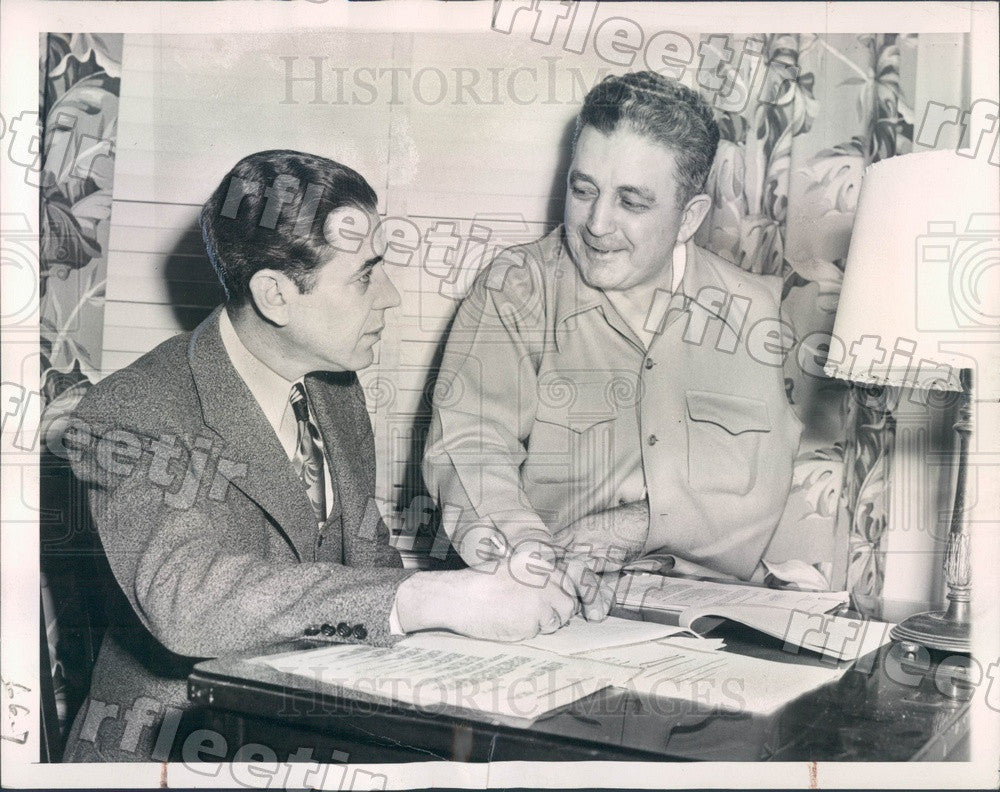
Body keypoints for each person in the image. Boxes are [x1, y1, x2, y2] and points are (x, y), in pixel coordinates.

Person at [60, 150, 581, 762]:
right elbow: (189, 602)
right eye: (366, 275)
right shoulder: (131, 413)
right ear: (276, 295)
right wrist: (432, 600)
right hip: (177, 754)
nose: (390, 298)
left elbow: (366, 564)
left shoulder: (333, 387)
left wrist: (482, 578)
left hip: (301, 735)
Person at [423, 73, 803, 597]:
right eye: (583, 191)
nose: (597, 224)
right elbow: (469, 443)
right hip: (543, 595)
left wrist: (631, 527)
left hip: (705, 603)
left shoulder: (750, 309)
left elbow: (759, 486)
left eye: (631, 202)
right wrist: (528, 548)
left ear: (689, 218)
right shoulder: (515, 289)